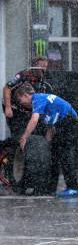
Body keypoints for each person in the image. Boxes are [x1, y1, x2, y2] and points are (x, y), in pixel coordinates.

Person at [14, 83, 78, 198]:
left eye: (20, 100)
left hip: (69, 122)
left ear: (25, 95)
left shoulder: (37, 99)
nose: (21, 104)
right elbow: (51, 127)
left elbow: (34, 120)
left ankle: (73, 188)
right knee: (53, 156)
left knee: (65, 156)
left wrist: (24, 137)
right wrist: (47, 145)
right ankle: (50, 188)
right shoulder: (44, 104)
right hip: (62, 123)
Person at [2, 56, 51, 188]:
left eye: (46, 67)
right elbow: (6, 88)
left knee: (35, 137)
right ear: (35, 65)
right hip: (15, 110)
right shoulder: (22, 75)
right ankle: (10, 168)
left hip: (31, 112)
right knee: (19, 137)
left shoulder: (44, 80)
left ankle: (31, 169)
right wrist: (7, 107)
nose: (44, 70)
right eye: (41, 67)